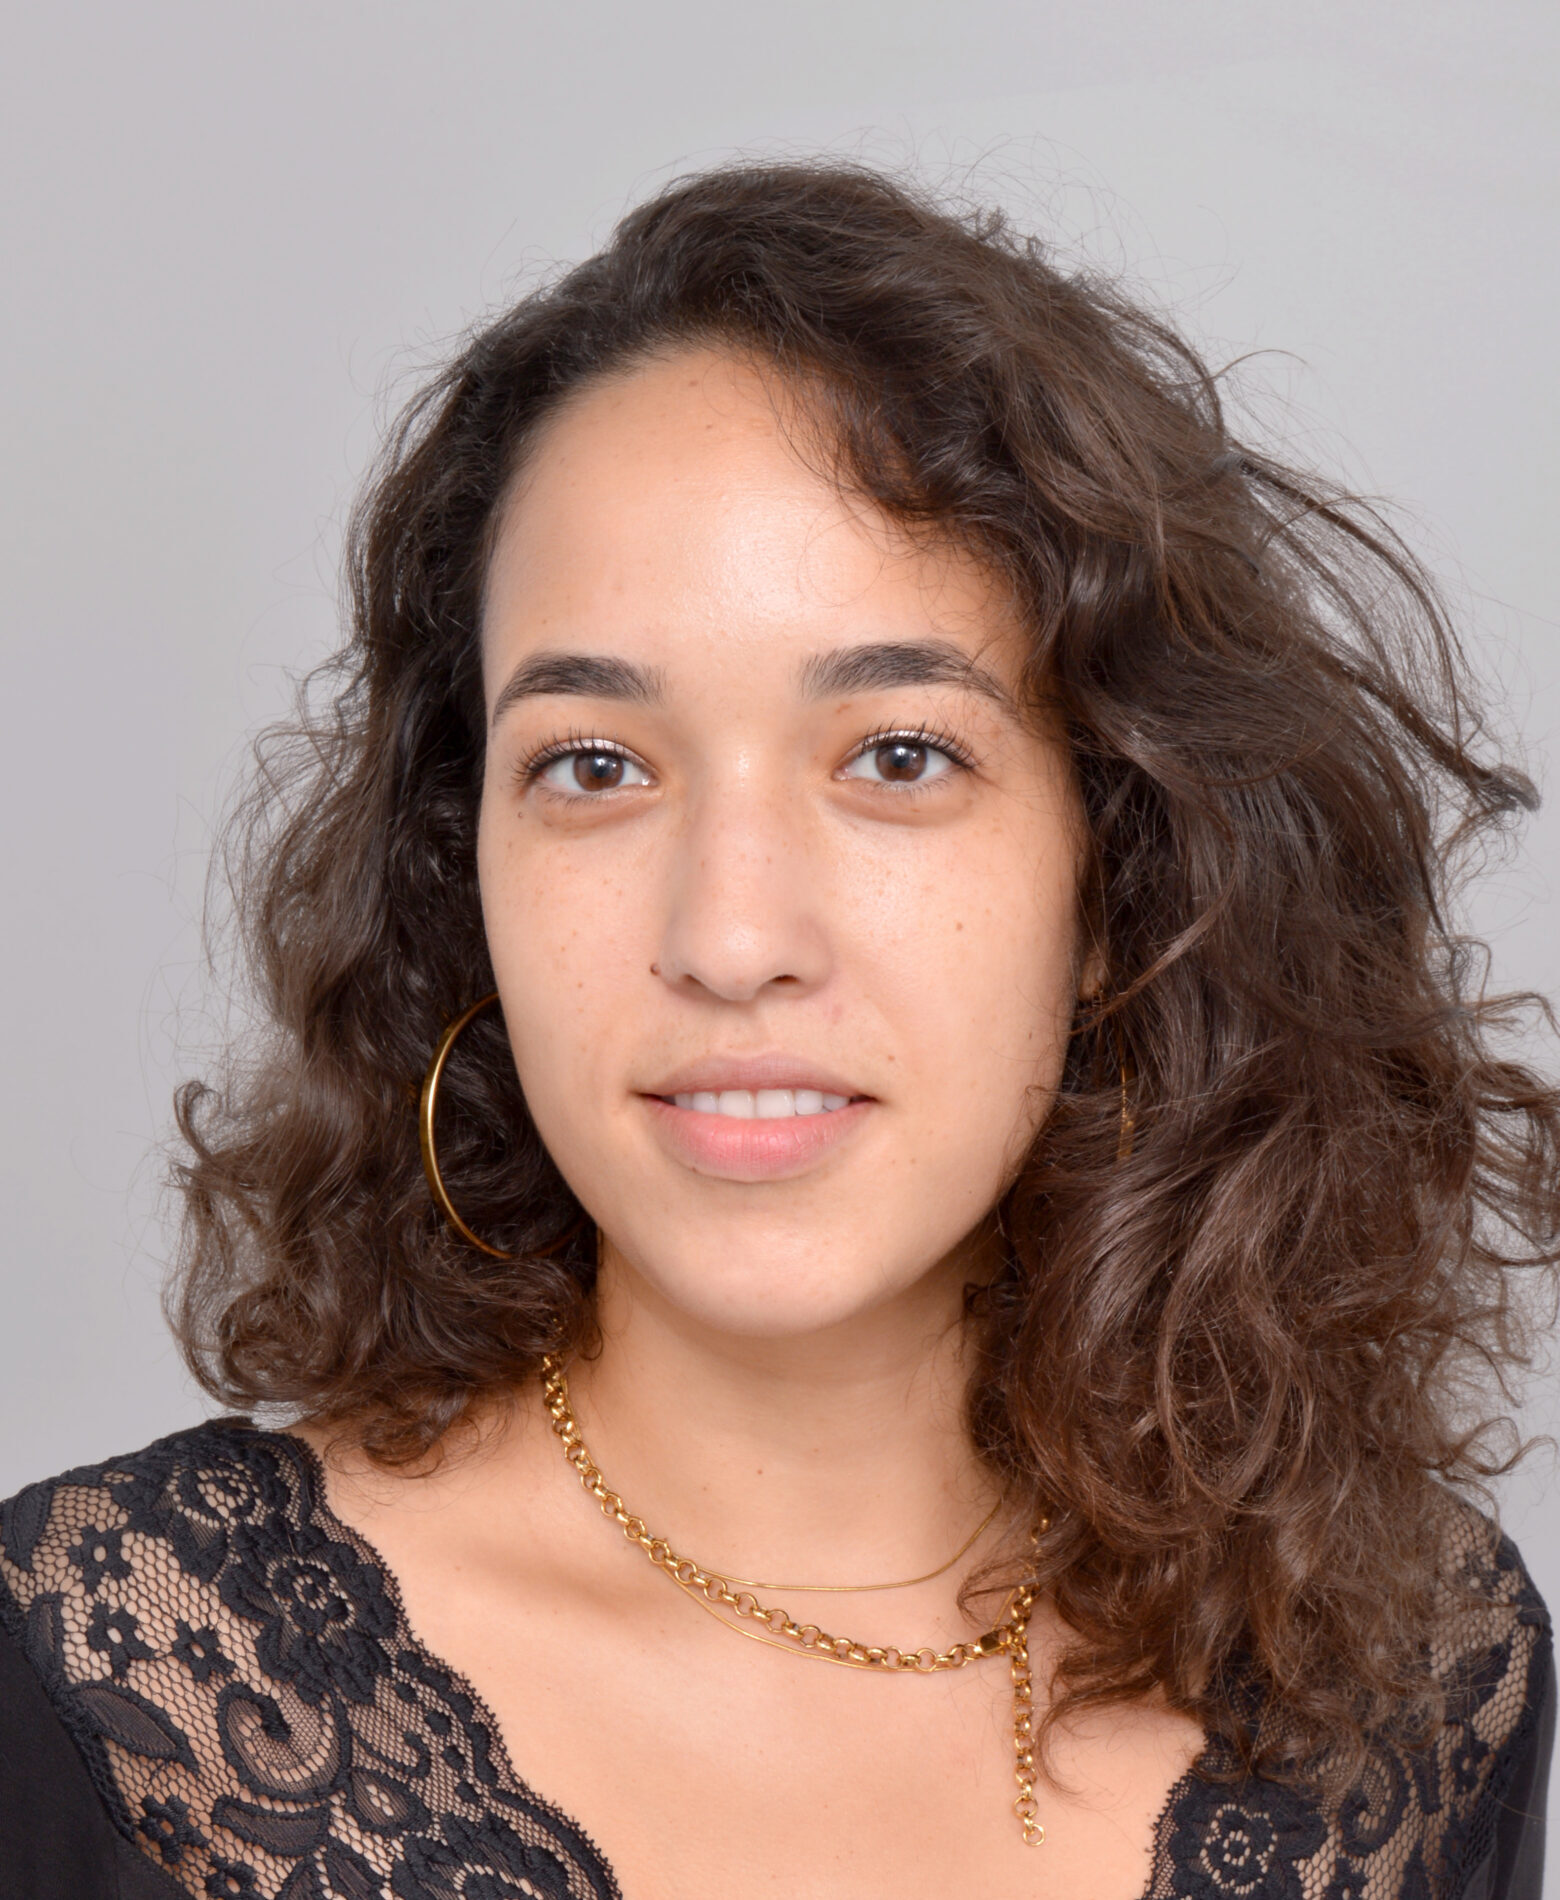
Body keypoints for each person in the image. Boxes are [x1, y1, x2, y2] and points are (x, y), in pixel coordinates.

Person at [0, 161, 1553, 1900]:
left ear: (1122, 875)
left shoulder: (1419, 1685)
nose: (732, 940)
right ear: (462, 874)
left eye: (898, 755)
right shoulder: (118, 1684)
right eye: (597, 766)